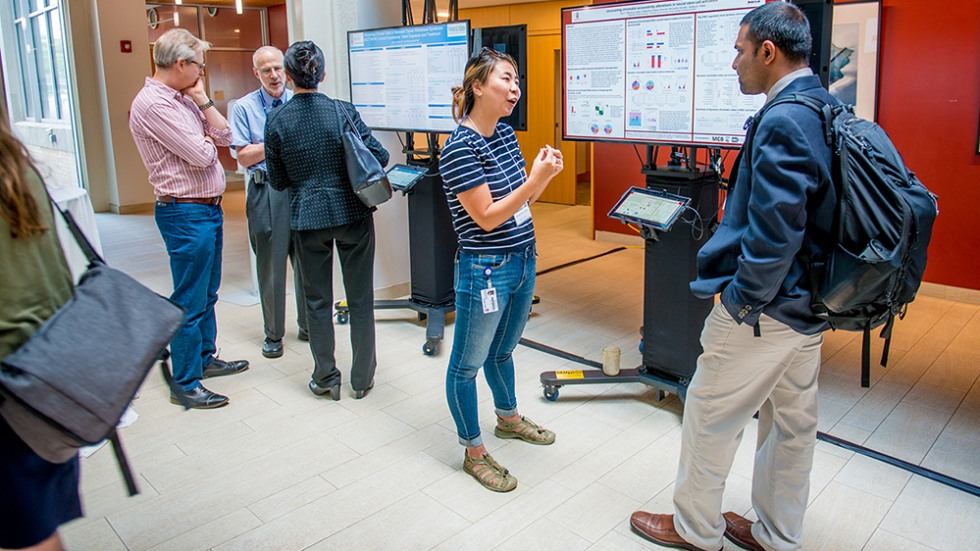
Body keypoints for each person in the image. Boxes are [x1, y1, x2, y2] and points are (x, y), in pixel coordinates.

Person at [629, 3, 839, 551]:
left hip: (766, 309)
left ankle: (696, 529)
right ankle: (776, 532)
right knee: (792, 426)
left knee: (708, 411)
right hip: (809, 306)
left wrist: (740, 303)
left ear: (768, 51)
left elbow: (774, 231)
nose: (733, 63)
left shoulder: (784, 119)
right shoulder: (823, 106)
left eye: (740, 50)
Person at [439, 47, 564, 493]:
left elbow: (519, 205)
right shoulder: (458, 148)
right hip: (485, 269)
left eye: (517, 80)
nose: (515, 89)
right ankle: (473, 451)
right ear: (477, 86)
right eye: (506, 79)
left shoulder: (505, 135)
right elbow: (488, 216)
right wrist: (537, 180)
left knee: (503, 351)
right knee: (466, 366)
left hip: (523, 258)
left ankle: (508, 418)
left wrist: (538, 180)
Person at [129, 28, 249, 410]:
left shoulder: (183, 99)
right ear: (180, 63)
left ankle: (204, 358)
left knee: (207, 292)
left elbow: (226, 135)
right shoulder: (154, 105)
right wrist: (208, 139)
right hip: (184, 211)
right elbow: (202, 154)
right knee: (189, 297)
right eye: (199, 64)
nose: (203, 71)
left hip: (205, 208)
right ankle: (184, 380)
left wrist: (201, 103)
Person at [265, 41, 389, 401]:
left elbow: (277, 181)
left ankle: (325, 378)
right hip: (353, 215)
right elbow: (377, 155)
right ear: (322, 74)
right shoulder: (343, 110)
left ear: (288, 77)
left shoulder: (277, 119)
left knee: (317, 301)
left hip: (307, 220)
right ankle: (362, 380)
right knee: (361, 299)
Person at [0, 109, 82, 550]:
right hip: (46, 376)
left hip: (16, 388)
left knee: (29, 531)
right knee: (34, 527)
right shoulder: (19, 167)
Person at [230, 45, 309, 359]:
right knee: (271, 267)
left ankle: (307, 325)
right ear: (256, 73)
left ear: (286, 69)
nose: (274, 76)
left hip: (299, 189)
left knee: (306, 262)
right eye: (266, 70)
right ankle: (274, 334)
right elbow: (243, 155)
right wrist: (276, 140)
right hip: (265, 192)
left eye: (278, 68)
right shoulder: (244, 108)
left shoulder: (298, 100)